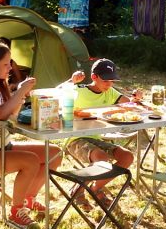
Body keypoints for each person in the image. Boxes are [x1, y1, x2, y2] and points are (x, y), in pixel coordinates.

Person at [0, 41, 62, 228]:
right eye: (6, 64)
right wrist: (20, 91)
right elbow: (0, 113)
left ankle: (28, 200)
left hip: (5, 146)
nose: (10, 67)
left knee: (55, 153)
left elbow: (12, 115)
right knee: (31, 161)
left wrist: (22, 96)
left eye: (10, 63)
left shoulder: (0, 86)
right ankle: (16, 211)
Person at [61, 59, 143, 211]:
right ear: (94, 77)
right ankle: (78, 190)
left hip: (96, 138)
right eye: (106, 80)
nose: (109, 84)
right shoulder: (78, 91)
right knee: (102, 159)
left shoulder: (110, 92)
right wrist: (71, 81)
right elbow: (53, 95)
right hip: (75, 139)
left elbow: (129, 104)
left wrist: (136, 99)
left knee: (127, 157)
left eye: (112, 80)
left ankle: (94, 188)